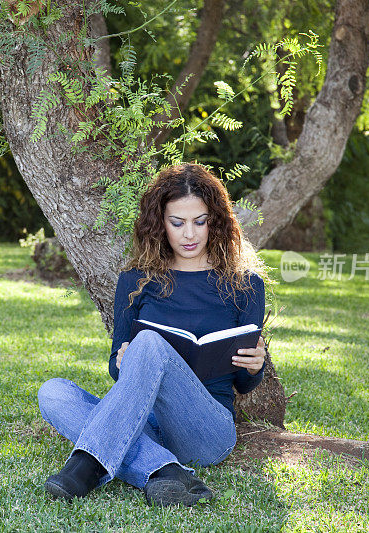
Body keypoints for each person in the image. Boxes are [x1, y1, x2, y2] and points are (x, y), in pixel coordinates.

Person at [37, 163, 271, 507]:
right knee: (53, 393)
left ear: (216, 221)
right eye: (177, 223)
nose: (189, 234)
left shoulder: (245, 285)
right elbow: (118, 373)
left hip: (206, 430)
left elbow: (244, 385)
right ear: (160, 223)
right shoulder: (135, 281)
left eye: (199, 222)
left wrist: (254, 367)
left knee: (149, 343)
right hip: (142, 423)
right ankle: (166, 472)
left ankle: (87, 464)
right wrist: (122, 361)